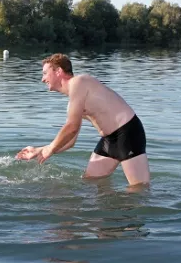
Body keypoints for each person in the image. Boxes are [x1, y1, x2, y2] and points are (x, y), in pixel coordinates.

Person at [16, 53, 150, 186]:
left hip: (128, 134)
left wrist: (50, 149)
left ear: (58, 71)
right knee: (90, 183)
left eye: (45, 73)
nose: (42, 79)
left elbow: (72, 126)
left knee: (139, 191)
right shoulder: (73, 103)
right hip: (109, 140)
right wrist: (40, 150)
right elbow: (70, 141)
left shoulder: (79, 82)